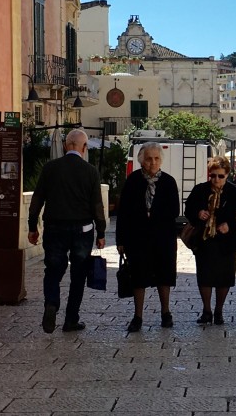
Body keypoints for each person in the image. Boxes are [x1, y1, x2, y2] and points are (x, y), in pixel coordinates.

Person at [28, 128, 106, 334]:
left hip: (54, 228)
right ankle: (71, 319)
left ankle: (51, 303)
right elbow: (97, 205)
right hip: (82, 230)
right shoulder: (90, 171)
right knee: (78, 274)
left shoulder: (50, 168)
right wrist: (101, 232)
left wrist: (31, 226)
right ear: (84, 147)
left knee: (53, 270)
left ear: (65, 146)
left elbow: (37, 199)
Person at [115, 142, 180, 332]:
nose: (153, 162)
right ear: (142, 161)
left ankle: (165, 313)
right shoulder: (133, 181)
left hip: (163, 237)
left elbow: (174, 210)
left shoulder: (168, 181)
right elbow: (123, 212)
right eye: (149, 158)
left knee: (164, 276)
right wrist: (121, 240)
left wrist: (154, 214)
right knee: (138, 277)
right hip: (138, 238)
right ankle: (137, 316)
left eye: (156, 158)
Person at [183, 156, 236, 325]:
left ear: (227, 175)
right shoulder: (200, 190)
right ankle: (206, 310)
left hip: (227, 242)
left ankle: (219, 311)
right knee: (204, 276)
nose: (216, 180)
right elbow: (188, 209)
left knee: (224, 277)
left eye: (220, 176)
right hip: (205, 240)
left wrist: (231, 225)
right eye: (213, 176)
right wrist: (198, 213)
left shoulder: (235, 192)